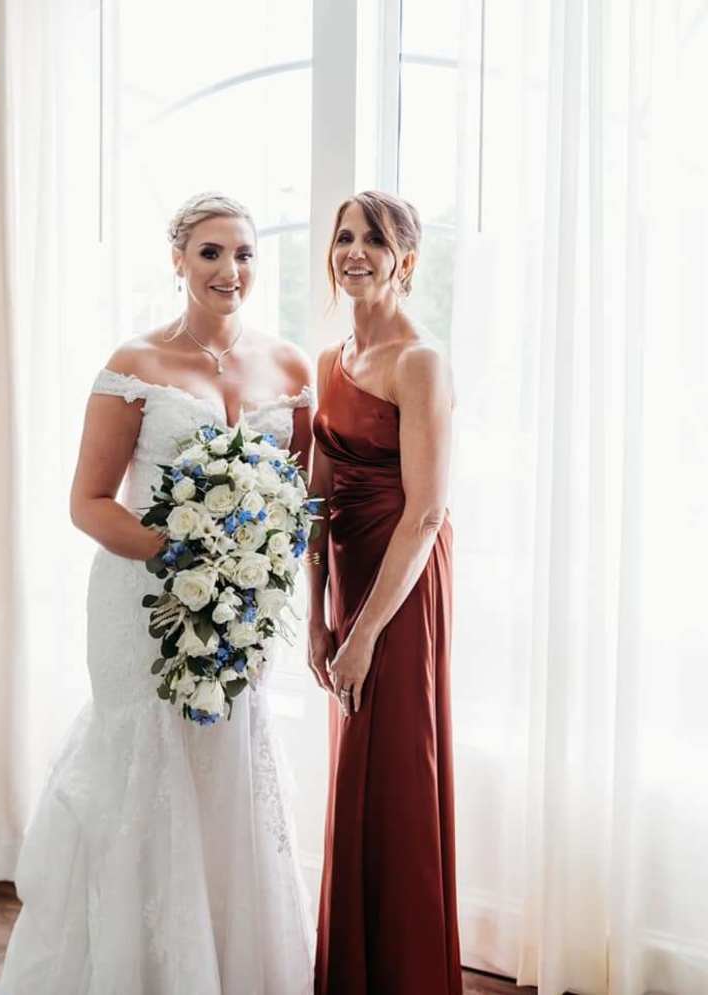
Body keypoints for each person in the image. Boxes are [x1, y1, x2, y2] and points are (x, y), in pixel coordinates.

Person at [0, 192, 316, 995]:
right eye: (210, 252)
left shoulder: (290, 367)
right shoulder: (135, 363)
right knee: (146, 763)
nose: (229, 269)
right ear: (178, 260)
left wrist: (254, 569)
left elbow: (297, 501)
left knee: (227, 763)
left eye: (243, 253)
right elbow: (89, 502)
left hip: (241, 610)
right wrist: (182, 552)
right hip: (143, 603)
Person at [308, 191, 462, 995]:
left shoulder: (418, 361)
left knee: (396, 768)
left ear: (407, 259)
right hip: (347, 582)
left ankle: (405, 974)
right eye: (345, 237)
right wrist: (315, 613)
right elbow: (315, 493)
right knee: (353, 772)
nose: (355, 252)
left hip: (401, 587)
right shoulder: (330, 360)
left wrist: (365, 634)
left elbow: (427, 511)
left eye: (374, 239)